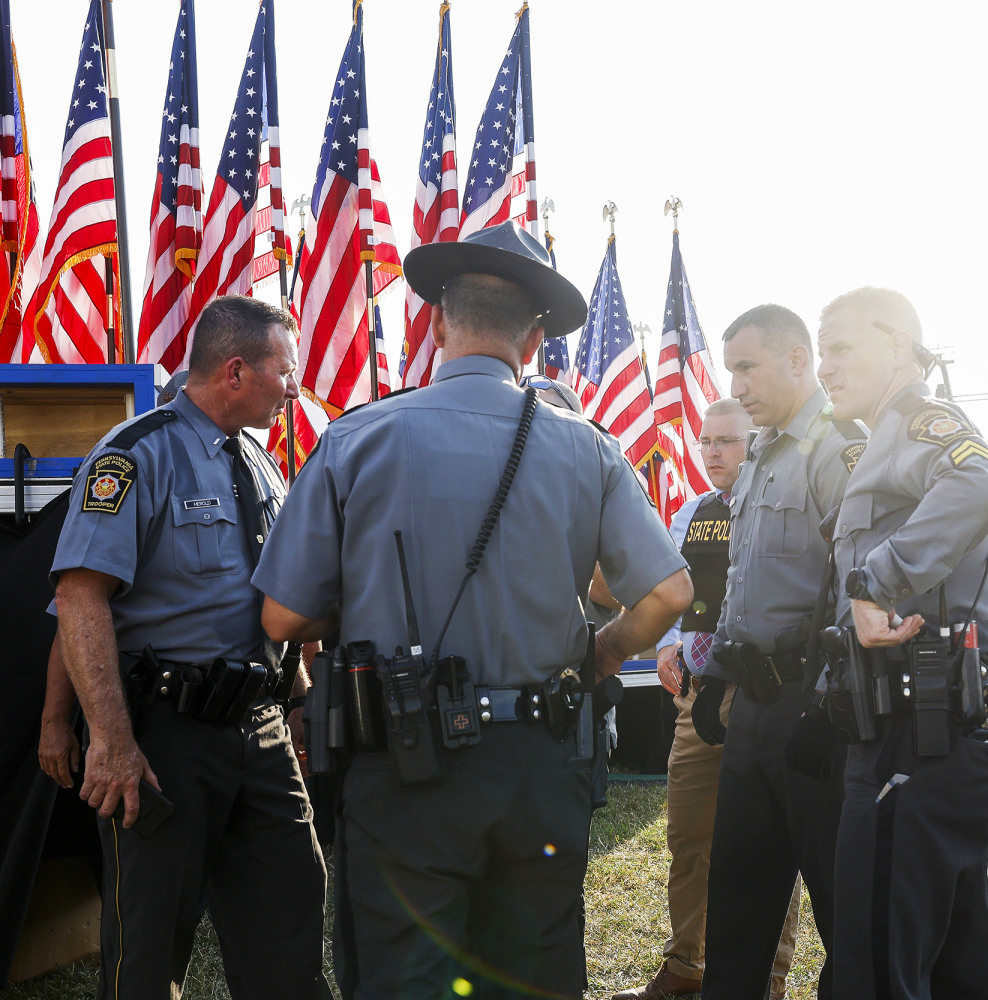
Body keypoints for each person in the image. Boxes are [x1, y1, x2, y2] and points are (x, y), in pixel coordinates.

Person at [254, 220, 693, 1000]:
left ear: (435, 322)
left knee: (403, 978)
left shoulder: (358, 438)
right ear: (533, 337)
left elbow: (282, 618)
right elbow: (669, 594)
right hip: (542, 761)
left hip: (407, 762)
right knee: (534, 976)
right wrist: (599, 653)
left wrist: (370, 599)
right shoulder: (587, 447)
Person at [50, 295, 330, 1000]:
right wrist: (108, 740)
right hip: (164, 737)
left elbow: (270, 604)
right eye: (284, 371)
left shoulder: (264, 465)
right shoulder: (135, 454)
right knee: (148, 948)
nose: (294, 388)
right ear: (236, 371)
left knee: (290, 913)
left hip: (260, 731)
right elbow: (81, 599)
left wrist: (296, 702)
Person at [814, 287, 988, 1000]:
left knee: (877, 968)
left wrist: (875, 583)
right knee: (955, 969)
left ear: (897, 343)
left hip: (917, 736)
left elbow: (983, 482)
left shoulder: (919, 422)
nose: (826, 367)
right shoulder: (883, 438)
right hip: (935, 734)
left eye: (840, 347)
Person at [695, 304, 864, 1000]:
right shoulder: (761, 448)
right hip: (753, 707)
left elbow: (861, 586)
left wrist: (830, 704)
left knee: (840, 906)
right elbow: (742, 579)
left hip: (812, 708)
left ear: (798, 359)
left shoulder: (837, 447)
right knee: (737, 899)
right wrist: (714, 677)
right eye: (730, 367)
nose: (735, 383)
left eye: (747, 366)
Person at [613, 397, 803, 1000]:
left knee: (772, 847)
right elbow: (669, 590)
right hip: (697, 701)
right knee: (690, 838)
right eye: (705, 440)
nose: (713, 452)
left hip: (764, 696)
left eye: (728, 440)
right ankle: (686, 967)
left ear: (758, 442)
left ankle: (767, 980)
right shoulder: (692, 513)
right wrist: (668, 643)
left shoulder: (780, 509)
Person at [39, 368, 192, 790]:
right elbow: (75, 611)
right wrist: (54, 722)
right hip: (160, 713)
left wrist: (302, 696)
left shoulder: (250, 467)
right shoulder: (136, 462)